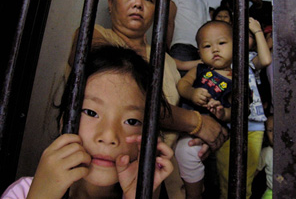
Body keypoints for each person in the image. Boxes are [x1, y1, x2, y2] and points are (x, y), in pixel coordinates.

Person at [68, 0, 228, 199]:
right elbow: (133, 100)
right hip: (99, 176)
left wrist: (197, 140)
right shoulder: (92, 35)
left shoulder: (167, 62)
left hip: (160, 181)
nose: (138, 4)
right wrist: (196, 123)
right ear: (110, 3)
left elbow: (177, 113)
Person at [1, 46, 174, 199]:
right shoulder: (24, 192)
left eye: (131, 121)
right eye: (91, 112)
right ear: (65, 121)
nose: (108, 136)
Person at [175, 21, 233, 199]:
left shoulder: (238, 79)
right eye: (207, 46)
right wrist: (191, 93)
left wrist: (223, 113)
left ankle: (195, 194)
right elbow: (182, 84)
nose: (215, 50)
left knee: (188, 152)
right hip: (185, 122)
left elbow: (238, 110)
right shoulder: (199, 69)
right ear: (199, 52)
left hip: (208, 133)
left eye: (221, 43)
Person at [215, 17, 272, 199]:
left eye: (248, 36)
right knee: (226, 173)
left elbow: (266, 59)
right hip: (227, 123)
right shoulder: (221, 59)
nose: (243, 38)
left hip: (254, 124)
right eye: (238, 34)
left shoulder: (248, 59)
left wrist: (257, 30)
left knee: (246, 175)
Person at [167, 0, 210, 77]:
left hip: (200, 51)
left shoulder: (204, 1)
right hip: (181, 47)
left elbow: (207, 28)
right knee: (178, 85)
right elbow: (169, 19)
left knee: (195, 89)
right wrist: (169, 48)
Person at [257, 115, 273, 199]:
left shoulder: (293, 151)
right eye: (270, 130)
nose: (274, 134)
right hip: (272, 191)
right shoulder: (266, 152)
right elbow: (253, 172)